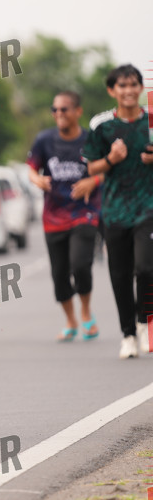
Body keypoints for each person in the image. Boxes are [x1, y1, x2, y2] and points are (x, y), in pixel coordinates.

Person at [83, 64, 153, 359]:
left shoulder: (151, 121)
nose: (129, 90)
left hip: (148, 207)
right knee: (120, 275)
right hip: (114, 211)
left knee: (146, 268)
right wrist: (111, 158)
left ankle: (143, 321)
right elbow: (91, 167)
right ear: (112, 90)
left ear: (141, 88)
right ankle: (128, 334)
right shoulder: (102, 125)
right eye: (122, 86)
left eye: (133, 84)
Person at [27, 91, 101, 342]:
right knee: (59, 274)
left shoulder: (91, 140)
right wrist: (37, 179)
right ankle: (70, 320)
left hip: (84, 212)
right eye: (55, 109)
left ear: (78, 111)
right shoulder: (44, 140)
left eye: (64, 109)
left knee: (80, 265)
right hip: (53, 216)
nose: (59, 113)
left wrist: (93, 181)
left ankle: (86, 310)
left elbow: (107, 168)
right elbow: (31, 169)